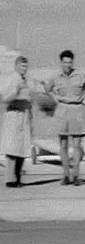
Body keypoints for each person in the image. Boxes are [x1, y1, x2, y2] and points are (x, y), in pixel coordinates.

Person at [44, 50, 85, 186]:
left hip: (77, 110)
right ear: (61, 62)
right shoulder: (56, 76)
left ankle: (76, 175)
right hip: (62, 110)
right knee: (63, 145)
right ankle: (65, 175)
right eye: (65, 62)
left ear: (72, 62)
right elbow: (47, 88)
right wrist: (55, 98)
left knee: (76, 145)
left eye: (69, 62)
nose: (67, 65)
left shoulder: (81, 75)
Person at [1, 55, 35, 188]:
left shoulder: (27, 81)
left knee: (22, 148)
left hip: (25, 116)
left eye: (26, 66)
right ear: (16, 66)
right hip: (13, 114)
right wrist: (16, 90)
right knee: (11, 148)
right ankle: (9, 179)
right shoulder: (10, 79)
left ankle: (18, 177)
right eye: (22, 66)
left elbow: (31, 97)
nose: (24, 69)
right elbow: (4, 99)